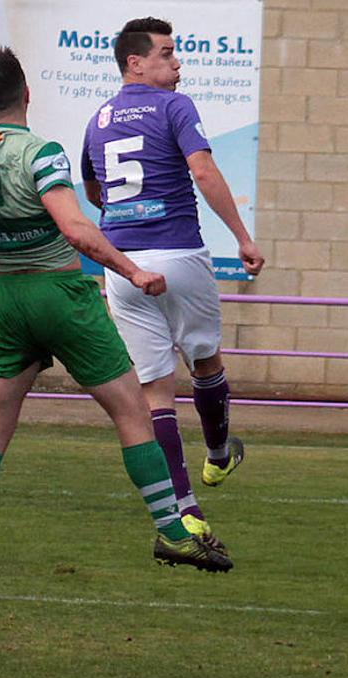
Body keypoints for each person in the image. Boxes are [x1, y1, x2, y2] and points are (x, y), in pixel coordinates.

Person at [0, 45, 233, 619]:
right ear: (27, 95)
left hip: (5, 299)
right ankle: (172, 531)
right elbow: (76, 229)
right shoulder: (41, 152)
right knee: (134, 413)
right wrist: (132, 270)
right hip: (61, 296)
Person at [80, 17, 265, 551]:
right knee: (205, 362)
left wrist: (127, 215)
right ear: (134, 62)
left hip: (123, 265)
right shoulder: (175, 108)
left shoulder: (97, 119)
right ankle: (217, 453)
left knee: (155, 390)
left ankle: (185, 509)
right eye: (166, 54)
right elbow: (203, 171)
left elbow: (96, 188)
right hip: (179, 252)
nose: (177, 63)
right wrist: (243, 237)